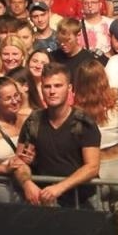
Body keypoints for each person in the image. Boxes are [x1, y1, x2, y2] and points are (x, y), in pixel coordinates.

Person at [15, 62, 102, 207]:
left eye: (58, 86)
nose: (52, 91)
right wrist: (27, 183)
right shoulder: (33, 121)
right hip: (44, 201)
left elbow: (92, 167)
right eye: (47, 86)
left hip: (81, 201)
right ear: (41, 89)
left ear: (69, 88)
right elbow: (19, 161)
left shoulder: (84, 122)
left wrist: (59, 187)